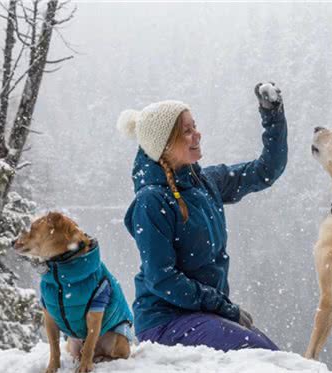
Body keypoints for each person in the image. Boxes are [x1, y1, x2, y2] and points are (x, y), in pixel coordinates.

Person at [117, 83, 287, 351]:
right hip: (164, 320)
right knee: (260, 354)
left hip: (205, 314)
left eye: (194, 126)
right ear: (164, 145)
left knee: (276, 357)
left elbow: (266, 170)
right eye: (187, 131)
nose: (197, 134)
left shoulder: (204, 182)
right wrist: (222, 306)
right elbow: (162, 278)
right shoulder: (151, 201)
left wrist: (273, 115)